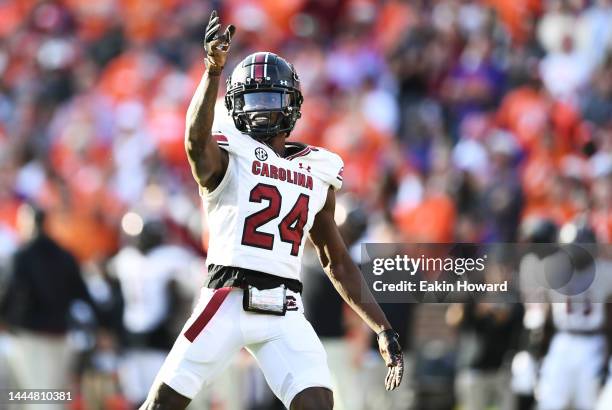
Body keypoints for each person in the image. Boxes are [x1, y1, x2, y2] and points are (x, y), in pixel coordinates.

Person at [141, 10, 404, 410]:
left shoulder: (317, 169)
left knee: (318, 403)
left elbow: (336, 259)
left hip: (285, 307)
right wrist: (212, 72)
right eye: (251, 99)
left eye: (270, 98)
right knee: (163, 403)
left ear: (293, 104)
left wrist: (382, 327)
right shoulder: (230, 153)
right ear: (233, 105)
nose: (261, 109)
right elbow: (195, 144)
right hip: (227, 296)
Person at [0, 204, 97, 408]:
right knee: (50, 395)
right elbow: (83, 296)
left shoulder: (21, 257)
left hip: (29, 337)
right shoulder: (65, 255)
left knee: (38, 397)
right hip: (61, 334)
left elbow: (8, 295)